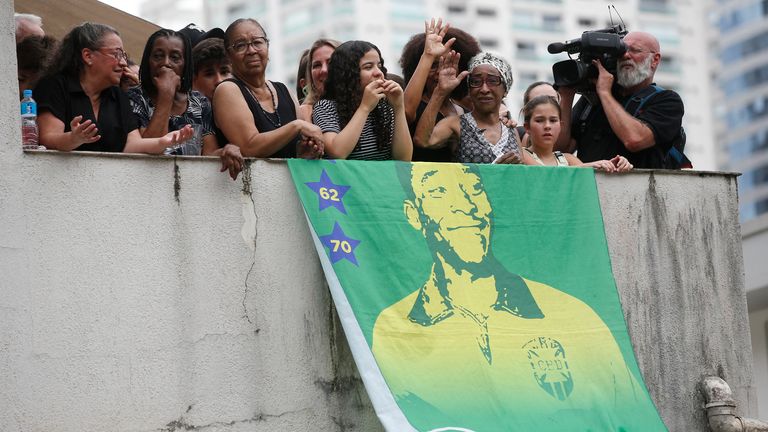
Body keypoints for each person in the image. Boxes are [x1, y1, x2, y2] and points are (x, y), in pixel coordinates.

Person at [372, 162, 647, 429]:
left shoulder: (570, 314)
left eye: (475, 188)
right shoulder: (396, 328)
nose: (467, 205)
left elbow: (630, 416)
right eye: (439, 192)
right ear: (414, 214)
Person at [35, 22, 192, 153]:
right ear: (88, 56)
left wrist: (163, 142)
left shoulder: (117, 95)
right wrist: (72, 139)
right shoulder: (54, 86)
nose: (123, 62)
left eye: (123, 56)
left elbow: (131, 145)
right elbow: (47, 138)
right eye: (116, 54)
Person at [555, 31, 684, 169]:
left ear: (655, 59)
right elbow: (561, 149)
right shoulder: (592, 100)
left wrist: (604, 92)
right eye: (621, 51)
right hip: (589, 188)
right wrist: (567, 96)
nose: (626, 55)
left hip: (639, 189)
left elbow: (634, 140)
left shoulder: (667, 100)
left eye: (635, 50)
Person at [213, 18, 323, 159]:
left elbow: (299, 146)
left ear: (267, 46)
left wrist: (304, 152)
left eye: (257, 42)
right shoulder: (227, 90)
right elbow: (248, 147)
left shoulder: (284, 91)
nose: (251, 50)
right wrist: (297, 126)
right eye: (240, 45)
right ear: (228, 56)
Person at [413, 51, 533, 164]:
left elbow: (520, 174)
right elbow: (422, 141)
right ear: (469, 90)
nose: (484, 89)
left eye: (492, 81)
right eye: (476, 81)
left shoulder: (511, 130)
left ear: (505, 90)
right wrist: (440, 91)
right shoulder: (456, 124)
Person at [312, 40, 412, 161]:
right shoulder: (325, 107)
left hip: (383, 179)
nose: (378, 73)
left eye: (379, 66)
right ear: (348, 74)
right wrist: (365, 107)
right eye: (368, 67)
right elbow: (337, 152)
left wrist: (398, 107)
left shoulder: (384, 107)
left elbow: (404, 159)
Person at [400, 18, 480, 162]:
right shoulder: (411, 107)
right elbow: (405, 112)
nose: (440, 72)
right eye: (433, 65)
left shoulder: (466, 113)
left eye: (448, 63)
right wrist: (428, 55)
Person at [127, 29, 213, 157]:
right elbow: (148, 154)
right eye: (158, 56)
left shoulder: (200, 102)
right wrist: (166, 94)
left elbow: (210, 153)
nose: (166, 63)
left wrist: (228, 150)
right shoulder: (134, 98)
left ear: (185, 64)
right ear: (147, 61)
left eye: (175, 57)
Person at [523, 95, 632, 171]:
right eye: (539, 120)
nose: (547, 126)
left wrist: (614, 165)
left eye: (553, 120)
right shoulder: (521, 155)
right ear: (527, 127)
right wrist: (589, 166)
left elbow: (591, 173)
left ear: (560, 125)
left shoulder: (568, 159)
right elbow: (544, 173)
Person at [297, 38, 340, 122]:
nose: (324, 70)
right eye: (317, 65)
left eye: (330, 62)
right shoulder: (304, 115)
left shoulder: (364, 102)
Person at [515, 81, 559, 148]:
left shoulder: (568, 156)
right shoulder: (513, 138)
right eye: (537, 102)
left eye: (553, 100)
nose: (546, 105)